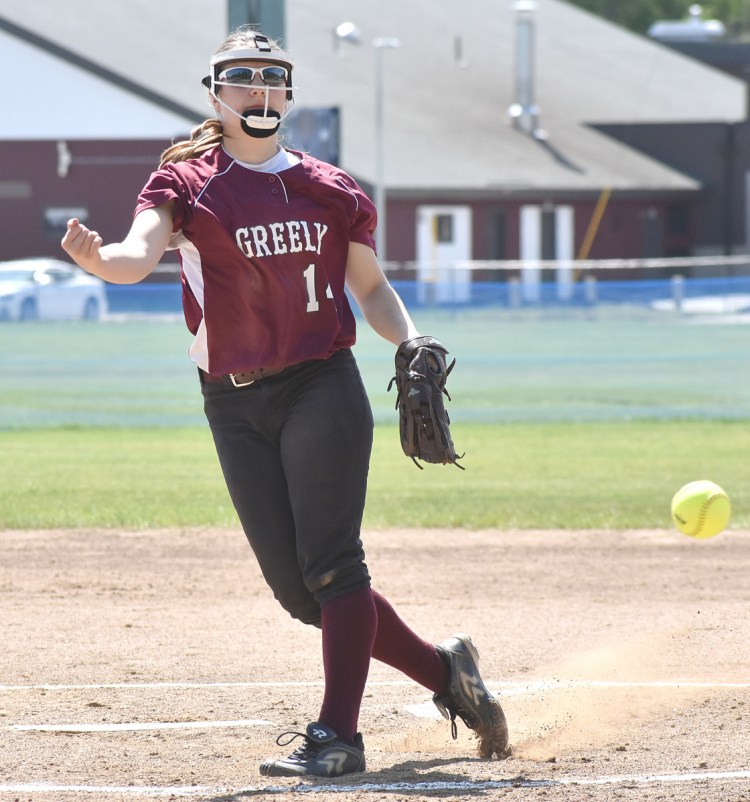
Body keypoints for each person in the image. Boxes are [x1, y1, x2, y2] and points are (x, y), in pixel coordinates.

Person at [61, 26, 508, 777]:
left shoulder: (330, 188)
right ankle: (447, 673)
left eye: (273, 80)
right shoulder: (186, 181)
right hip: (231, 402)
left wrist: (408, 341)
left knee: (335, 565)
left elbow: (370, 287)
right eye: (243, 80)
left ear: (288, 94)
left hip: (319, 383)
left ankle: (339, 737)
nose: (259, 92)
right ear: (217, 94)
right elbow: (140, 252)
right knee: (303, 595)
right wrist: (100, 259)